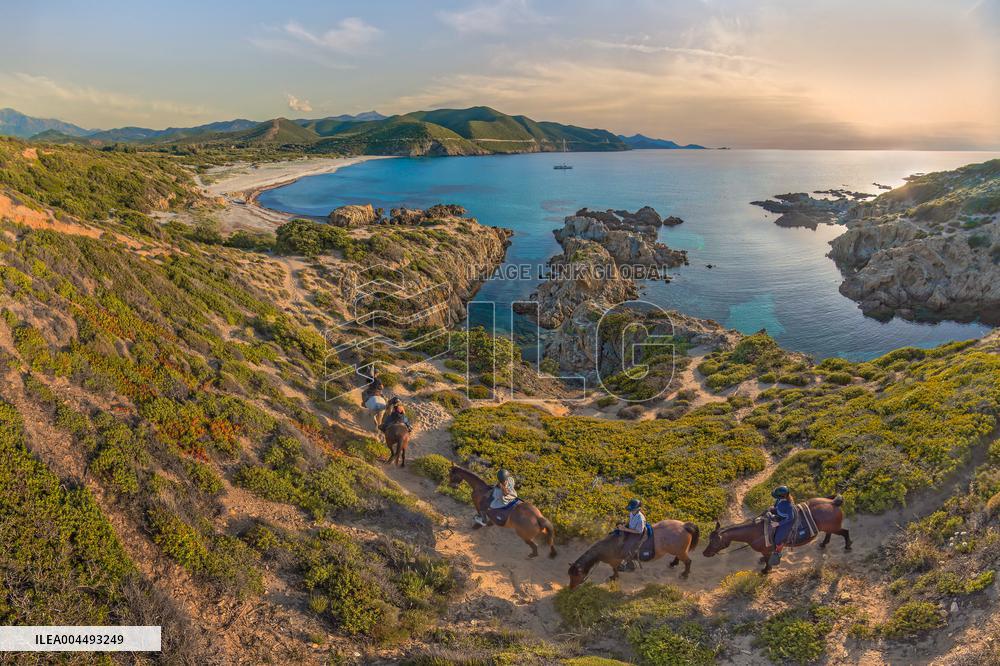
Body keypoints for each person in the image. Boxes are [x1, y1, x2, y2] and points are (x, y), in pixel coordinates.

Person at [614, 498, 647, 571]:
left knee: (627, 546)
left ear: (638, 509)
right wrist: (624, 525)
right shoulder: (632, 513)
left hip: (637, 534)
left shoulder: (640, 519)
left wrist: (625, 529)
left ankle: (626, 564)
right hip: (631, 529)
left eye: (632, 509)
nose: (631, 510)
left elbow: (639, 531)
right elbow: (631, 521)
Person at [768, 486, 795, 564]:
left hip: (786, 521)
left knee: (777, 539)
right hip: (780, 515)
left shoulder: (788, 505)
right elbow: (776, 506)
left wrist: (778, 523)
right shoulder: (779, 499)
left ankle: (778, 552)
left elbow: (791, 517)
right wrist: (773, 508)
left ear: (781, 496)